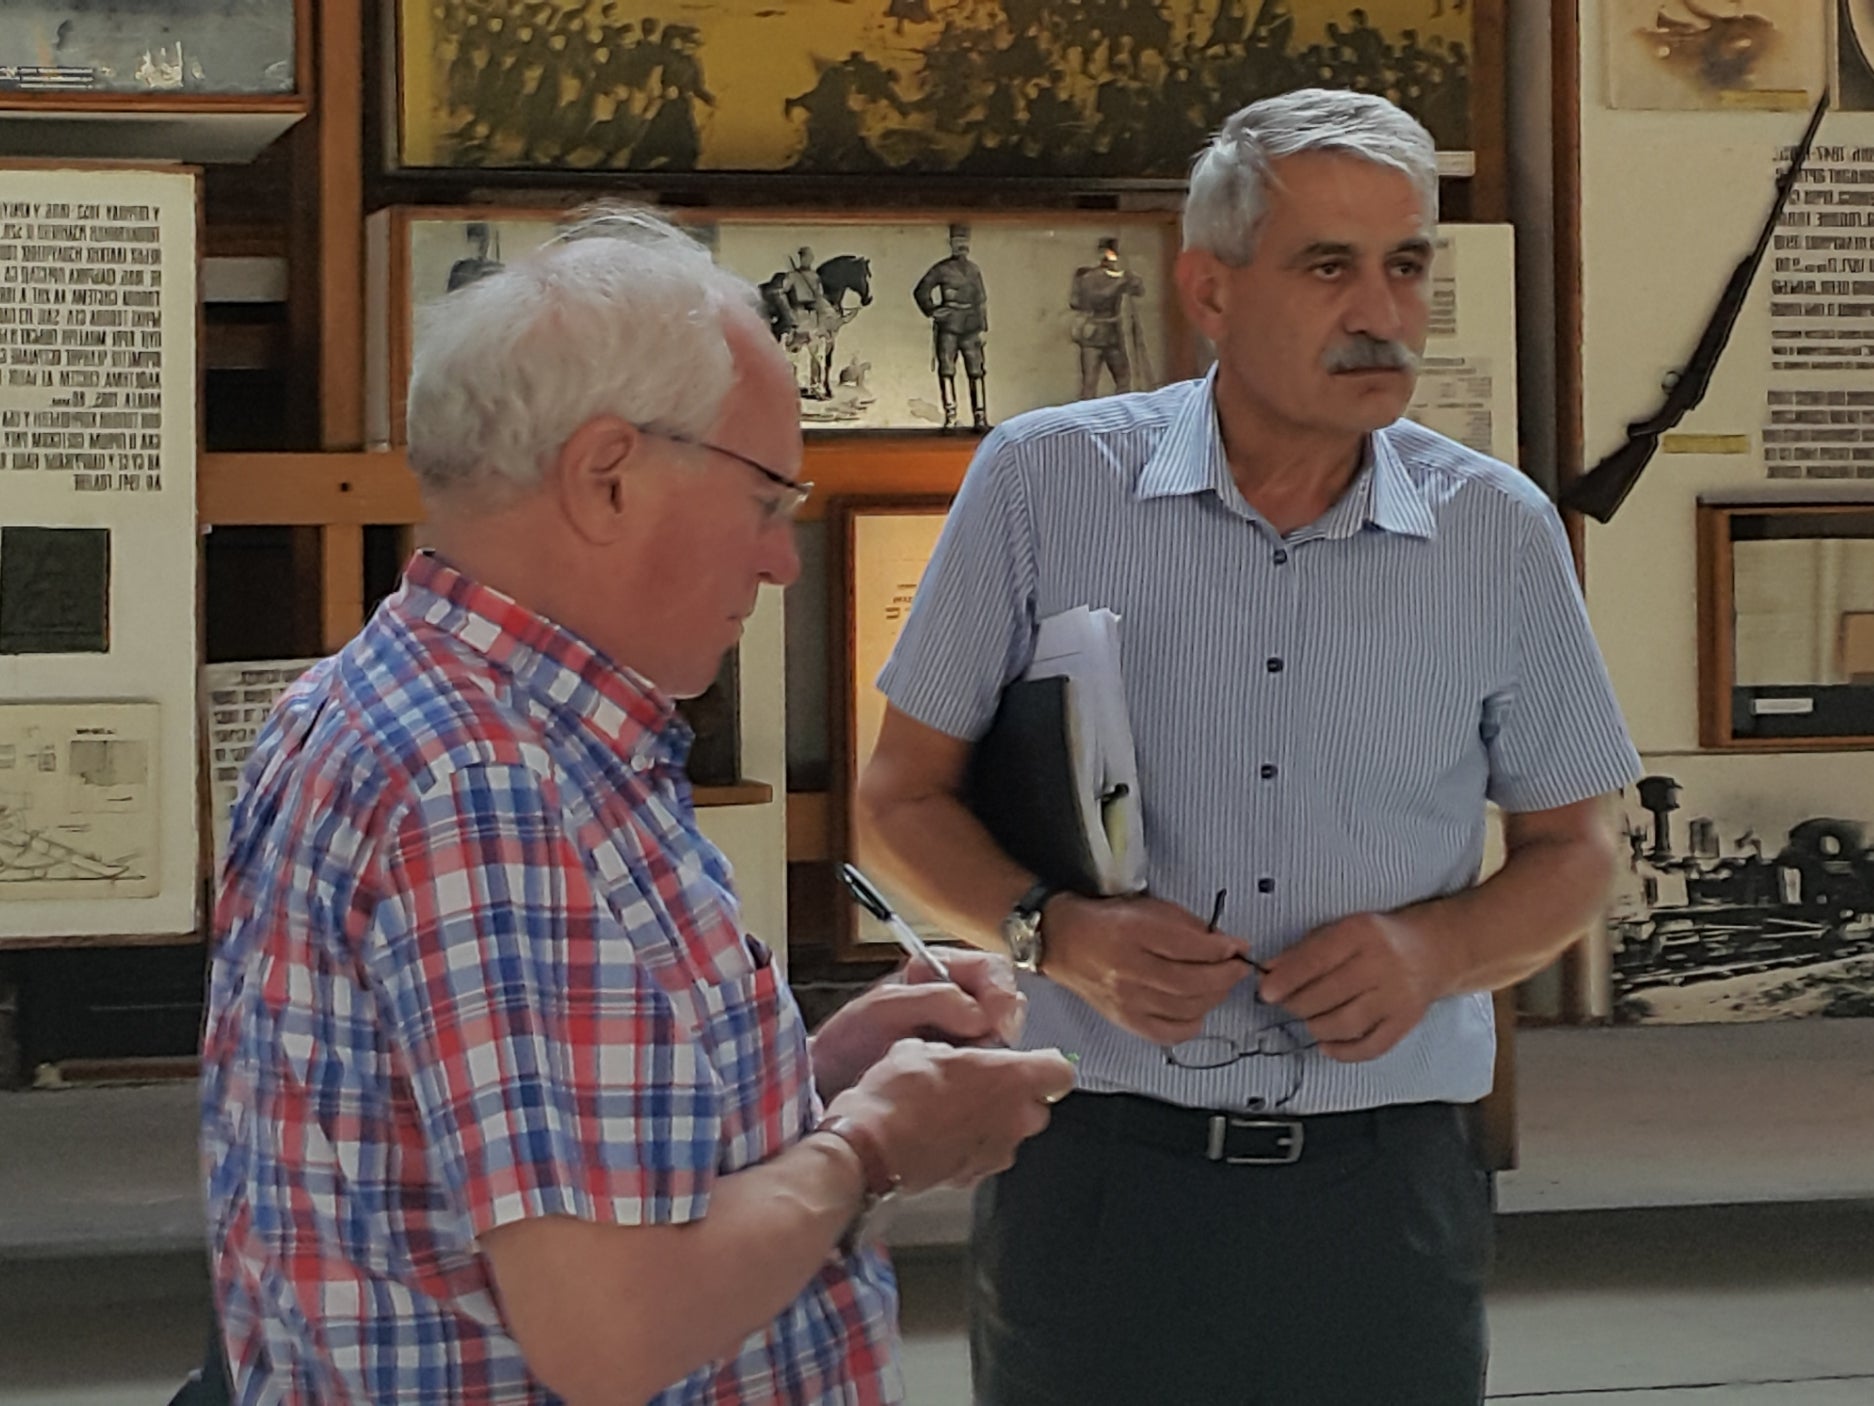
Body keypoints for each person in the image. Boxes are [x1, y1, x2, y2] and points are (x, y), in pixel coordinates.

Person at [199, 205, 1075, 1404]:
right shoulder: (487, 784)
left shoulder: (386, 703)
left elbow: (524, 1160)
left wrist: (815, 1078)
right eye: (770, 498)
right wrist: (872, 1144)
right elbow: (606, 1328)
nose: (779, 560)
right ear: (607, 477)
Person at [858, 89, 1641, 1405]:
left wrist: (1430, 951)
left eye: (1405, 266)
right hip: (1099, 1177)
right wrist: (1058, 933)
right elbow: (897, 799)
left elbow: (1574, 850)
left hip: (1381, 1189)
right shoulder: (1044, 485)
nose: (1381, 313)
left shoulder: (1496, 533)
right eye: (1328, 266)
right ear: (1207, 293)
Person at [912, 222, 990, 433]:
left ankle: (980, 417)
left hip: (972, 327)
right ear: (951, 244)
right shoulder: (942, 269)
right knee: (947, 370)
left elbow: (981, 299)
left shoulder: (974, 270)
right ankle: (950, 416)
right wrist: (932, 310)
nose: (961, 246)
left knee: (977, 372)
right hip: (949, 327)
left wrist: (983, 327)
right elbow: (921, 291)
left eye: (964, 242)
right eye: (957, 242)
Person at [1068, 235, 1148, 399]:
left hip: (1112, 336)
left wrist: (1130, 279)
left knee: (1123, 379)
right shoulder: (1088, 277)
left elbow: (1139, 290)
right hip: (1094, 334)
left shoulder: (1117, 276)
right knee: (1090, 383)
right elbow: (1090, 299)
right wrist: (1119, 283)